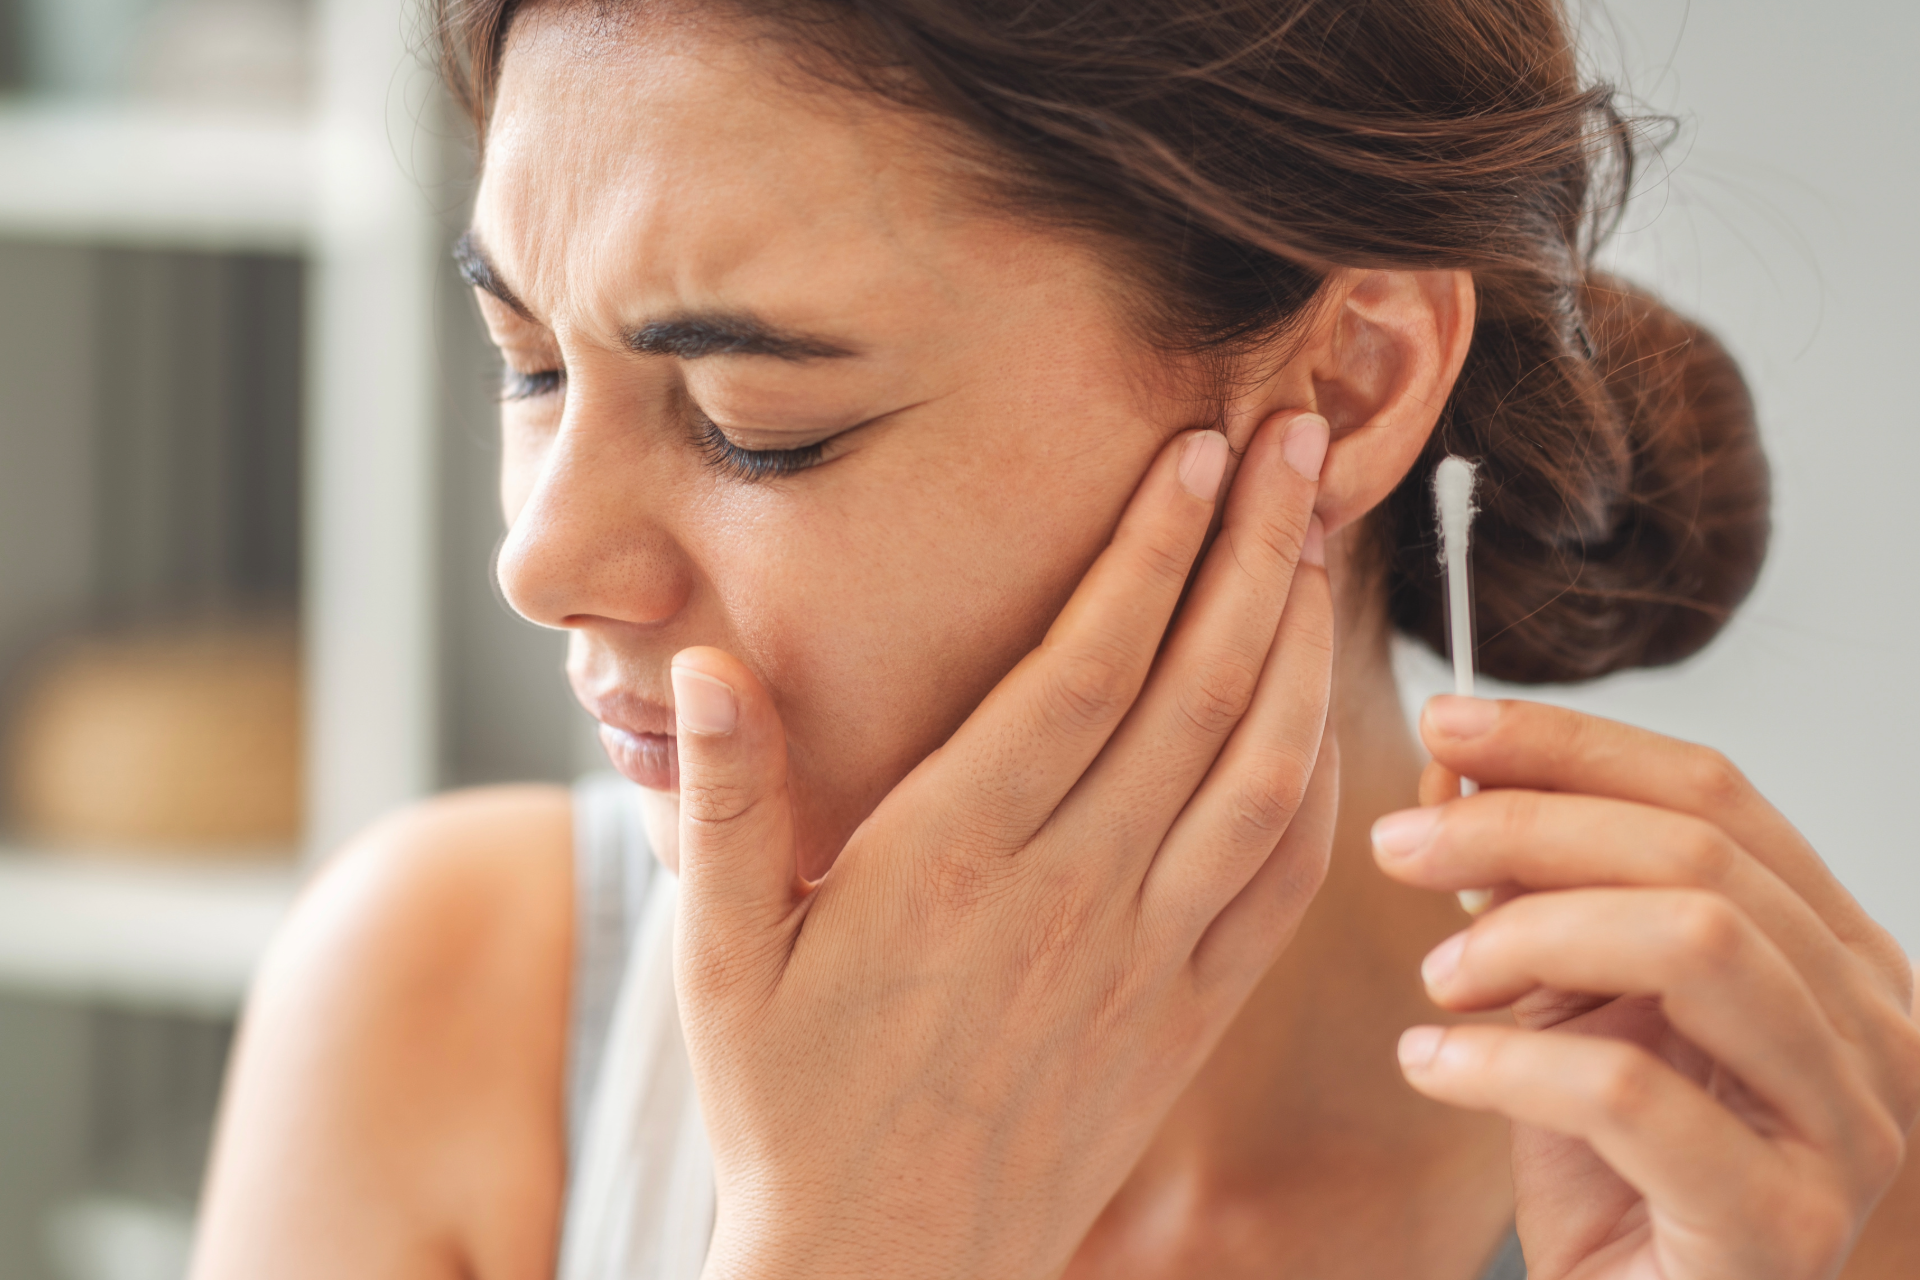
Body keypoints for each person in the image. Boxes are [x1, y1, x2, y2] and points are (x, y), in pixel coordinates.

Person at [189, 1, 1920, 1277]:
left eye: (752, 419)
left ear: (1348, 381)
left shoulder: (1787, 1176)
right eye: (533, 369)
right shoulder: (442, 1015)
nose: (542, 558)